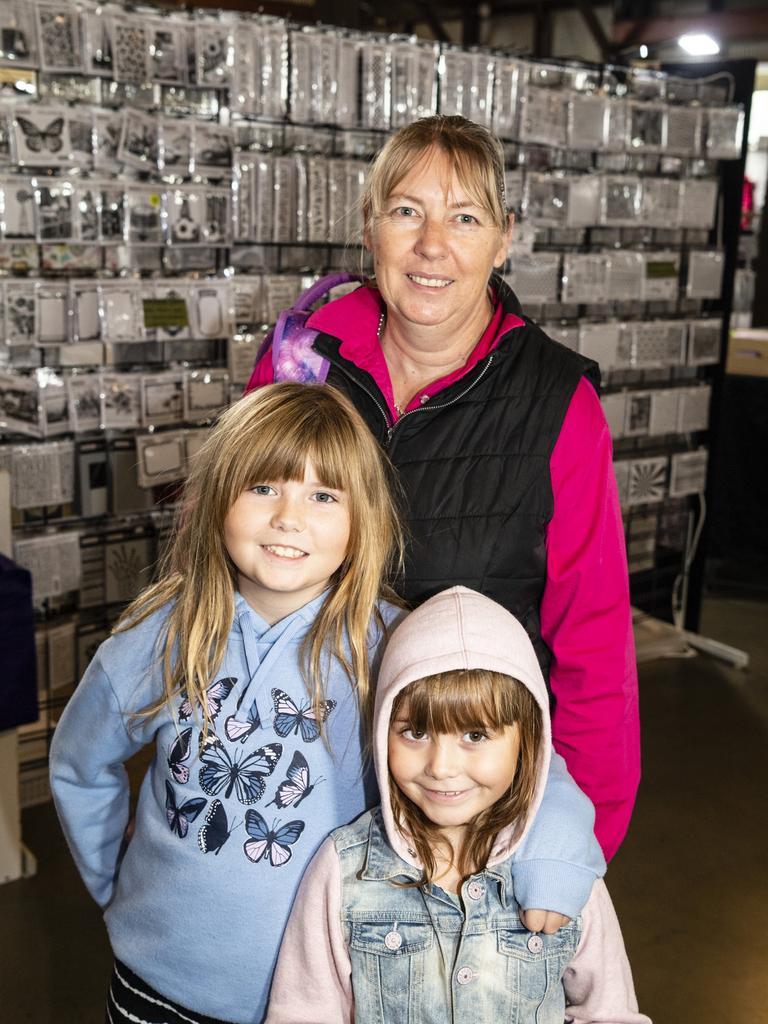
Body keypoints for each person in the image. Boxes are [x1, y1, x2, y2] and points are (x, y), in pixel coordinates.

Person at [50, 384, 604, 1024]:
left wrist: (557, 862)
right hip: (155, 984)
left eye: (322, 495)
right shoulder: (164, 634)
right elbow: (79, 761)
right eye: (263, 488)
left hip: (332, 989)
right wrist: (111, 880)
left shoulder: (395, 642)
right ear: (217, 499)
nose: (289, 518)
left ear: (361, 517)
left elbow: (528, 762)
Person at [248, 115, 638, 861]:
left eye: (464, 218)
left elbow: (594, 643)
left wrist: (578, 840)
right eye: (406, 212)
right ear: (371, 227)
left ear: (503, 237)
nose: (433, 245)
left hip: (458, 811)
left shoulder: (557, 401)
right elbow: (221, 562)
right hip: (286, 787)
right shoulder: (300, 365)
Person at [266, 588, 650, 1024]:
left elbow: (611, 1012)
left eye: (475, 736)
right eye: (414, 732)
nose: (442, 767)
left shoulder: (565, 872)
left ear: (527, 741)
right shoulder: (344, 867)